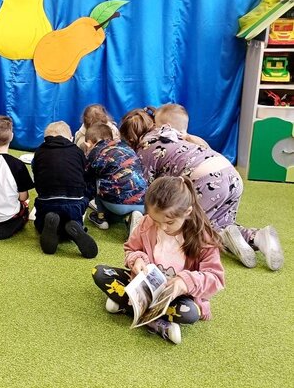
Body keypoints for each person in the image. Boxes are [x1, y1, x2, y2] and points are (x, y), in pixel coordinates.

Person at [120, 107, 284, 271]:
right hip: (230, 173)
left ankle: (223, 236)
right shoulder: (171, 133)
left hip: (207, 180)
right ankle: (258, 237)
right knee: (221, 221)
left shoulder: (144, 148)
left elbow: (149, 191)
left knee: (191, 225)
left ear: (130, 140)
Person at [92, 176, 225, 344]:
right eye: (155, 220)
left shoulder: (203, 238)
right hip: (144, 288)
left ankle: (127, 306)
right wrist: (137, 259)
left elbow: (215, 277)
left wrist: (185, 282)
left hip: (175, 297)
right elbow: (131, 248)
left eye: (169, 222)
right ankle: (155, 320)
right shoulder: (147, 223)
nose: (162, 226)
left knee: (190, 312)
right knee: (100, 272)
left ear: (187, 212)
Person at [32, 121, 98, 258]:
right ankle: (73, 226)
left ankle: (47, 227)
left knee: (41, 221)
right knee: (75, 215)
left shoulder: (39, 151)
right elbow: (85, 175)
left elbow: (36, 176)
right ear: (70, 138)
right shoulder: (77, 152)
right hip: (74, 202)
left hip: (47, 202)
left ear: (45, 139)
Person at [83, 123, 146, 233]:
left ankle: (101, 218)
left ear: (89, 143)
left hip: (115, 203)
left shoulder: (95, 152)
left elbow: (87, 180)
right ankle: (133, 216)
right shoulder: (126, 147)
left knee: (97, 180)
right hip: (142, 202)